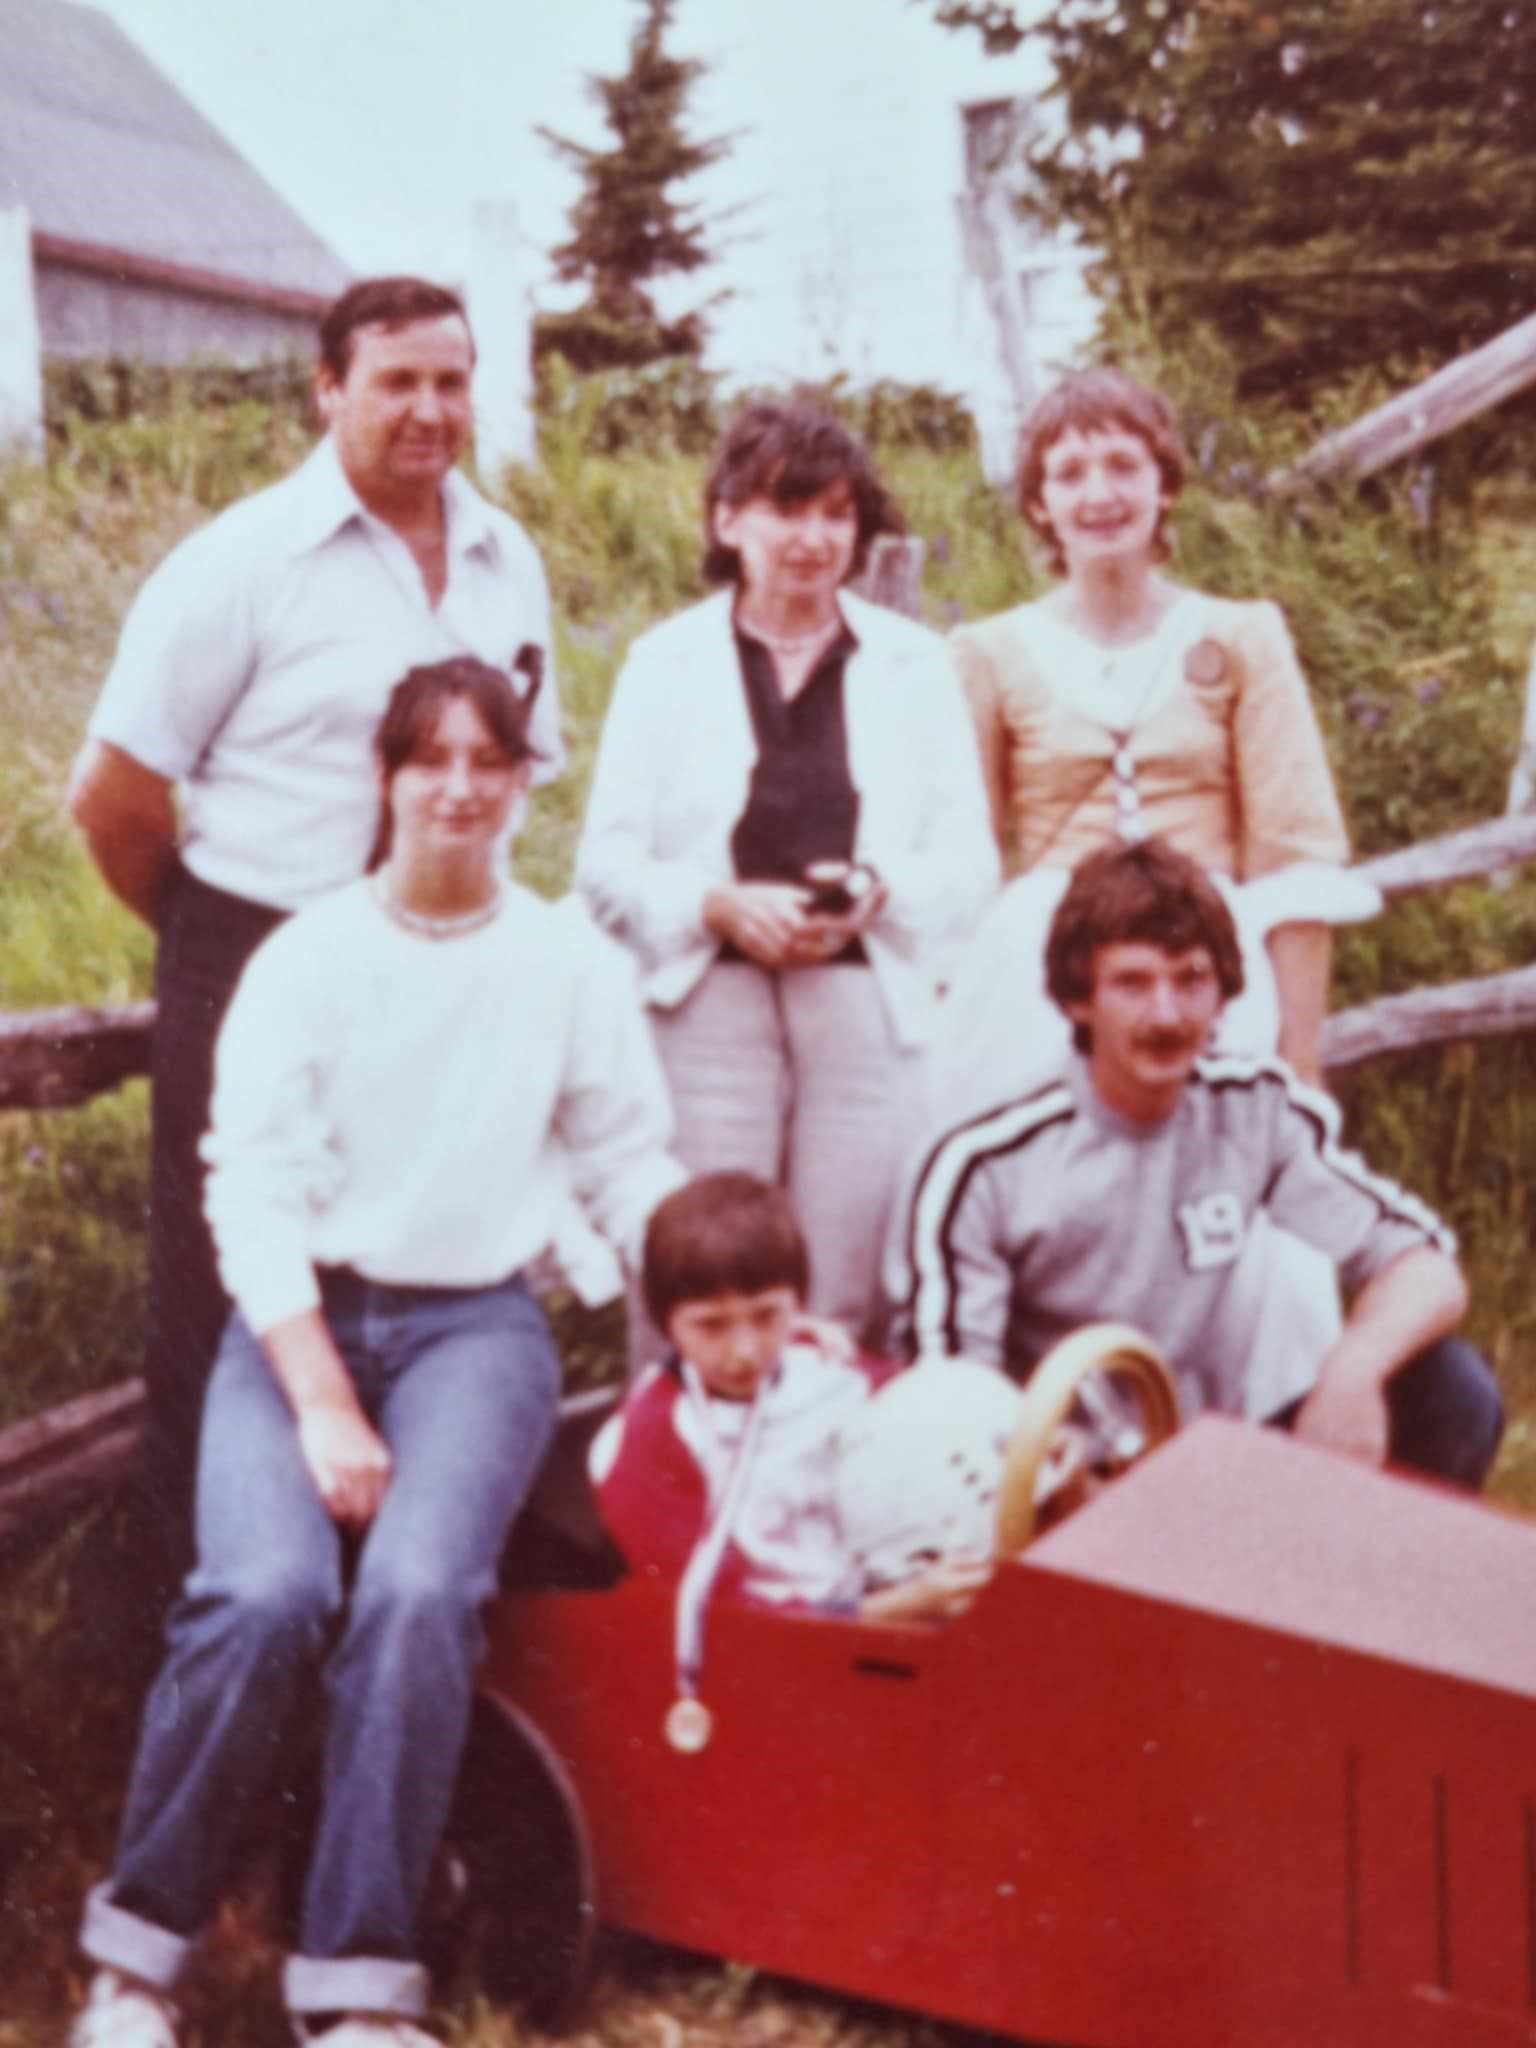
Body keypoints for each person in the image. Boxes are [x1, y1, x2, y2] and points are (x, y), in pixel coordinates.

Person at [70, 659, 678, 2048]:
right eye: (431, 763)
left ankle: (357, 1986)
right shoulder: (311, 958)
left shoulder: (566, 959)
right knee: (264, 1595)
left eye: (490, 762)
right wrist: (325, 1401)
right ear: (387, 780)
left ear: (525, 781)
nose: (460, 789)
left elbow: (625, 1157)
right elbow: (254, 1189)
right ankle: (136, 1961)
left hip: (476, 1327)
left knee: (415, 1596)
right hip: (299, 1326)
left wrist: (713, 1278)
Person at [66, 275, 563, 1569]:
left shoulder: (510, 562)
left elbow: (521, 767)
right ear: (328, 387)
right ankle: (211, 1630)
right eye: (395, 381)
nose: (428, 410)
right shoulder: (241, 564)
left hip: (441, 970)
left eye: (450, 381)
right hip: (254, 959)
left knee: (421, 1279)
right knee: (226, 1309)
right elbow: (111, 795)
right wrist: (205, 937)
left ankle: (402, 1615)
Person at [576, 402, 997, 1356]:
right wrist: (715, 903)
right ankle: (681, 1492)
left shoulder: (917, 664)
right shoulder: (663, 663)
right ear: (728, 520)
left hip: (863, 1001)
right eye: (786, 510)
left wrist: (880, 890)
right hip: (706, 1000)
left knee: (845, 1287)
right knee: (699, 1274)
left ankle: (831, 1487)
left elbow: (972, 867)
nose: (813, 540)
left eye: (838, 515)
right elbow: (604, 864)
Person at [890, 839, 1502, 1488]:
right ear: (1078, 999)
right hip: (1058, 1490)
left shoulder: (1252, 1111)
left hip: (1207, 1475)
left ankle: (1358, 1588)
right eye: (1133, 983)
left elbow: (1425, 1265)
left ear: (1223, 995)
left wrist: (1353, 1369)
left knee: (1451, 1389)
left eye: (1191, 980)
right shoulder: (984, 1165)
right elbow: (951, 1407)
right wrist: (1053, 1475)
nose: (1166, 1013)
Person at [930, 367, 1376, 1116]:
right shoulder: (987, 651)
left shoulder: (1241, 635)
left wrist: (1301, 1064)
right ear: (1040, 504)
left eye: (1123, 466)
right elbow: (959, 857)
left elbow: (1295, 858)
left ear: (1164, 485)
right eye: (1069, 474)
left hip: (1205, 951)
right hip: (1042, 961)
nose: (1100, 495)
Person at [590, 1173, 998, 1626]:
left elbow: (931, 1422)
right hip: (782, 1648)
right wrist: (891, 1610)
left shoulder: (829, 1370)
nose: (744, 1351)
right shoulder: (649, 1442)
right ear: (665, 1322)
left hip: (889, 1586)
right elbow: (710, 1618)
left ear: (799, 1304)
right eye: (711, 1325)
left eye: (766, 1316)